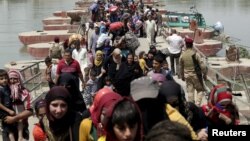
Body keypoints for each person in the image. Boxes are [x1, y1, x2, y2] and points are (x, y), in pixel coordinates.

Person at [179, 37, 206, 106]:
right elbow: (202, 65)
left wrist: (182, 76)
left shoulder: (183, 55)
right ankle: (197, 104)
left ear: (185, 44)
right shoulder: (195, 54)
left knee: (190, 91)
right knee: (200, 90)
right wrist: (204, 74)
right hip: (196, 75)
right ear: (192, 44)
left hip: (187, 75)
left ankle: (191, 105)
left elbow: (181, 66)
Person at [8, 70, 32, 141]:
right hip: (8, 126)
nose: (12, 81)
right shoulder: (4, 91)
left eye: (15, 78)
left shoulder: (25, 92)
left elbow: (30, 110)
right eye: (10, 79)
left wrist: (15, 118)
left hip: (22, 125)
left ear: (19, 79)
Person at [0, 69, 16, 141]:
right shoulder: (0, 90)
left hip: (9, 110)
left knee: (11, 127)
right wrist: (8, 111)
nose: (4, 80)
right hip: (4, 112)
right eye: (1, 79)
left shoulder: (7, 87)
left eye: (6, 78)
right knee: (9, 130)